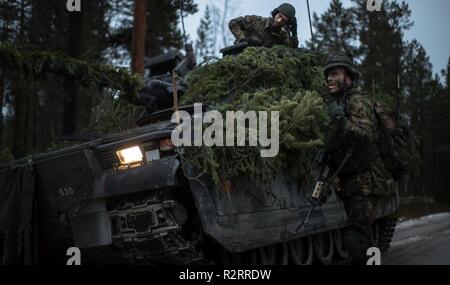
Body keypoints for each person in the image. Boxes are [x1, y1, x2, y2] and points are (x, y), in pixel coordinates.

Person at [323, 52, 397, 265]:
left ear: (348, 77)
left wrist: (340, 119)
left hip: (367, 179)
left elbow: (365, 135)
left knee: (354, 239)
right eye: (328, 74)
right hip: (352, 182)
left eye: (335, 73)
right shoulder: (338, 102)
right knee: (359, 237)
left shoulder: (358, 101)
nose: (329, 78)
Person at [228, 3, 299, 48]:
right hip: (240, 55)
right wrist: (243, 39)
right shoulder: (256, 21)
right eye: (279, 16)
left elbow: (291, 50)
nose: (279, 21)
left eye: (283, 20)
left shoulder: (283, 35)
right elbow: (233, 23)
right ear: (275, 13)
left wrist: (294, 33)